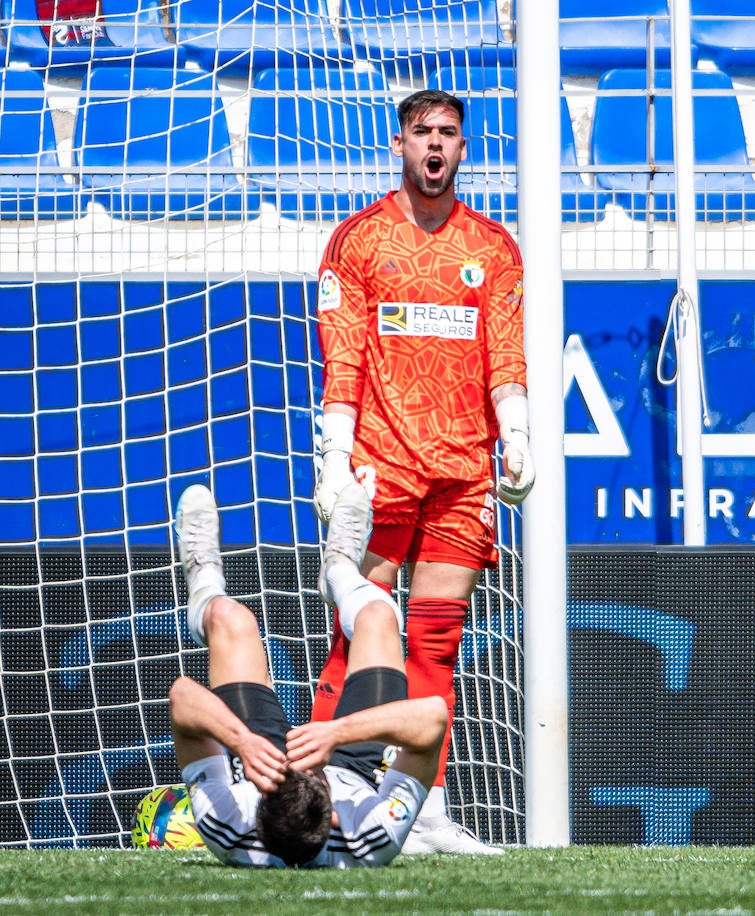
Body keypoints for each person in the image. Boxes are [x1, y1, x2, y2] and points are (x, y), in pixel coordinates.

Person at [309, 88, 532, 854]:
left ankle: (423, 808)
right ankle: (325, 794)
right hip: (381, 467)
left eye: (447, 133)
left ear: (463, 148)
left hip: (463, 471)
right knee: (359, 632)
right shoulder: (360, 241)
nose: (435, 143)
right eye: (422, 131)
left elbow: (505, 356)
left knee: (436, 642)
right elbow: (342, 357)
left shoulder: (493, 248)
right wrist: (334, 458)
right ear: (399, 144)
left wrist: (518, 435)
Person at [171, 482, 450, 867]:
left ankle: (203, 579)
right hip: (356, 774)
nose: (299, 762)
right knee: (378, 616)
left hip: (259, 757)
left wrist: (242, 743)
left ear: (258, 805)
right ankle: (340, 570)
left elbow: (182, 696)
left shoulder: (230, 827)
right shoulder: (369, 837)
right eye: (311, 774)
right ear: (334, 815)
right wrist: (338, 734)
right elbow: (433, 716)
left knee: (228, 618)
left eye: (286, 773)